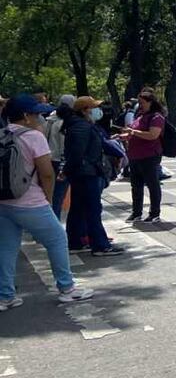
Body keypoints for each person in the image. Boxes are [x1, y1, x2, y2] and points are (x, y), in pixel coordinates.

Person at [0, 94, 94, 310]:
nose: (40, 116)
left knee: (6, 248)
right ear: (25, 116)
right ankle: (67, 288)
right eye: (36, 113)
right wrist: (49, 199)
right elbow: (47, 173)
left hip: (4, 201)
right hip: (30, 201)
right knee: (57, 240)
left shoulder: (2, 133)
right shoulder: (33, 136)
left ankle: (5, 296)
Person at [64, 96, 124, 256]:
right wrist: (67, 170)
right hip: (86, 173)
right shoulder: (81, 126)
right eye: (93, 107)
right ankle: (100, 245)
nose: (98, 110)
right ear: (84, 110)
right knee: (92, 209)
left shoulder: (82, 125)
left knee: (79, 208)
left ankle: (76, 242)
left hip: (84, 172)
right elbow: (77, 152)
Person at [123, 90, 165, 224]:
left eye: (142, 102)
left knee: (152, 185)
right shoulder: (140, 116)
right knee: (136, 186)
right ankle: (136, 212)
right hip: (135, 156)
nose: (139, 105)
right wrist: (123, 136)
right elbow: (133, 133)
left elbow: (153, 135)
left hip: (149, 156)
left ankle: (154, 213)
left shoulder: (156, 117)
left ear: (150, 102)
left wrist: (133, 132)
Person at [44, 94, 75, 219]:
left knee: (48, 195)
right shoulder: (63, 123)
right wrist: (64, 166)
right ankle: (54, 223)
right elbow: (64, 147)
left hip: (47, 160)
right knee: (58, 196)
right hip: (59, 161)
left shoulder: (48, 121)